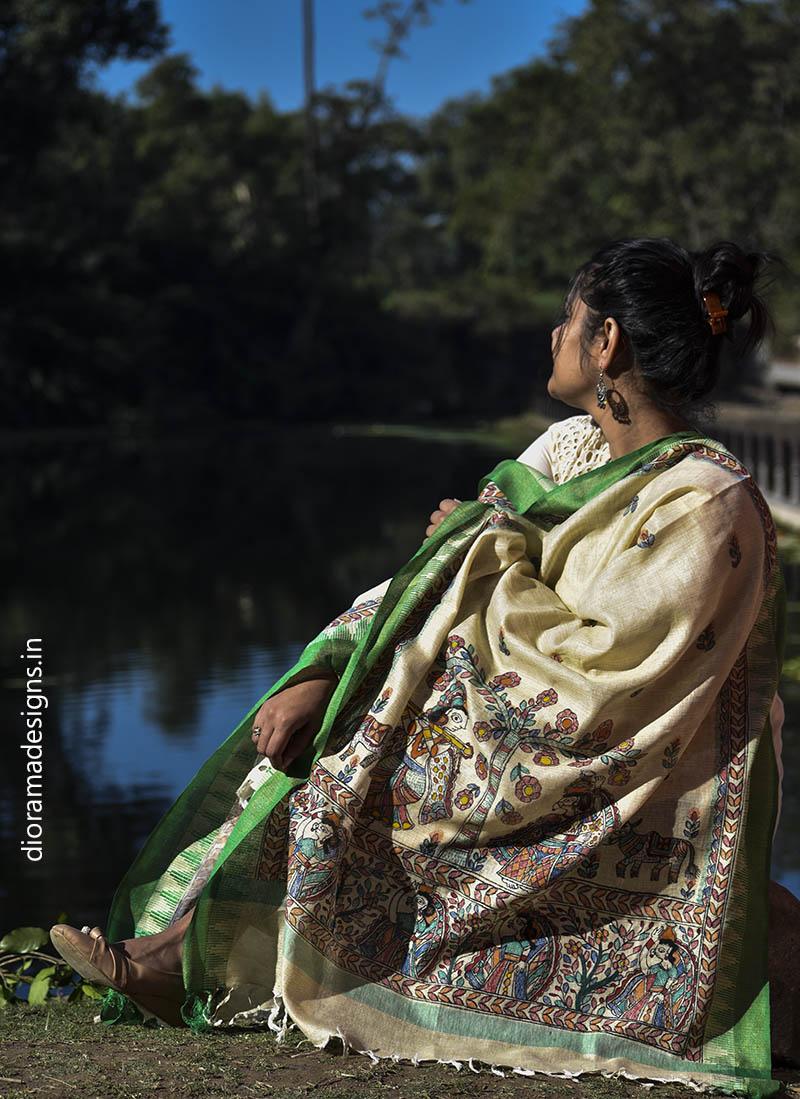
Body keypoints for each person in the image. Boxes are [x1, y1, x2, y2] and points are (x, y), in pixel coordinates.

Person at [51, 238, 787, 1096]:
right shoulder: (565, 454)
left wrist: (490, 552)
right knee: (348, 724)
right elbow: (424, 584)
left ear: (608, 343)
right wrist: (321, 669)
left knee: (381, 753)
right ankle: (191, 947)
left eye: (568, 319)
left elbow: (604, 681)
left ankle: (191, 961)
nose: (552, 333)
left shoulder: (704, 500)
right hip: (507, 737)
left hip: (612, 782)